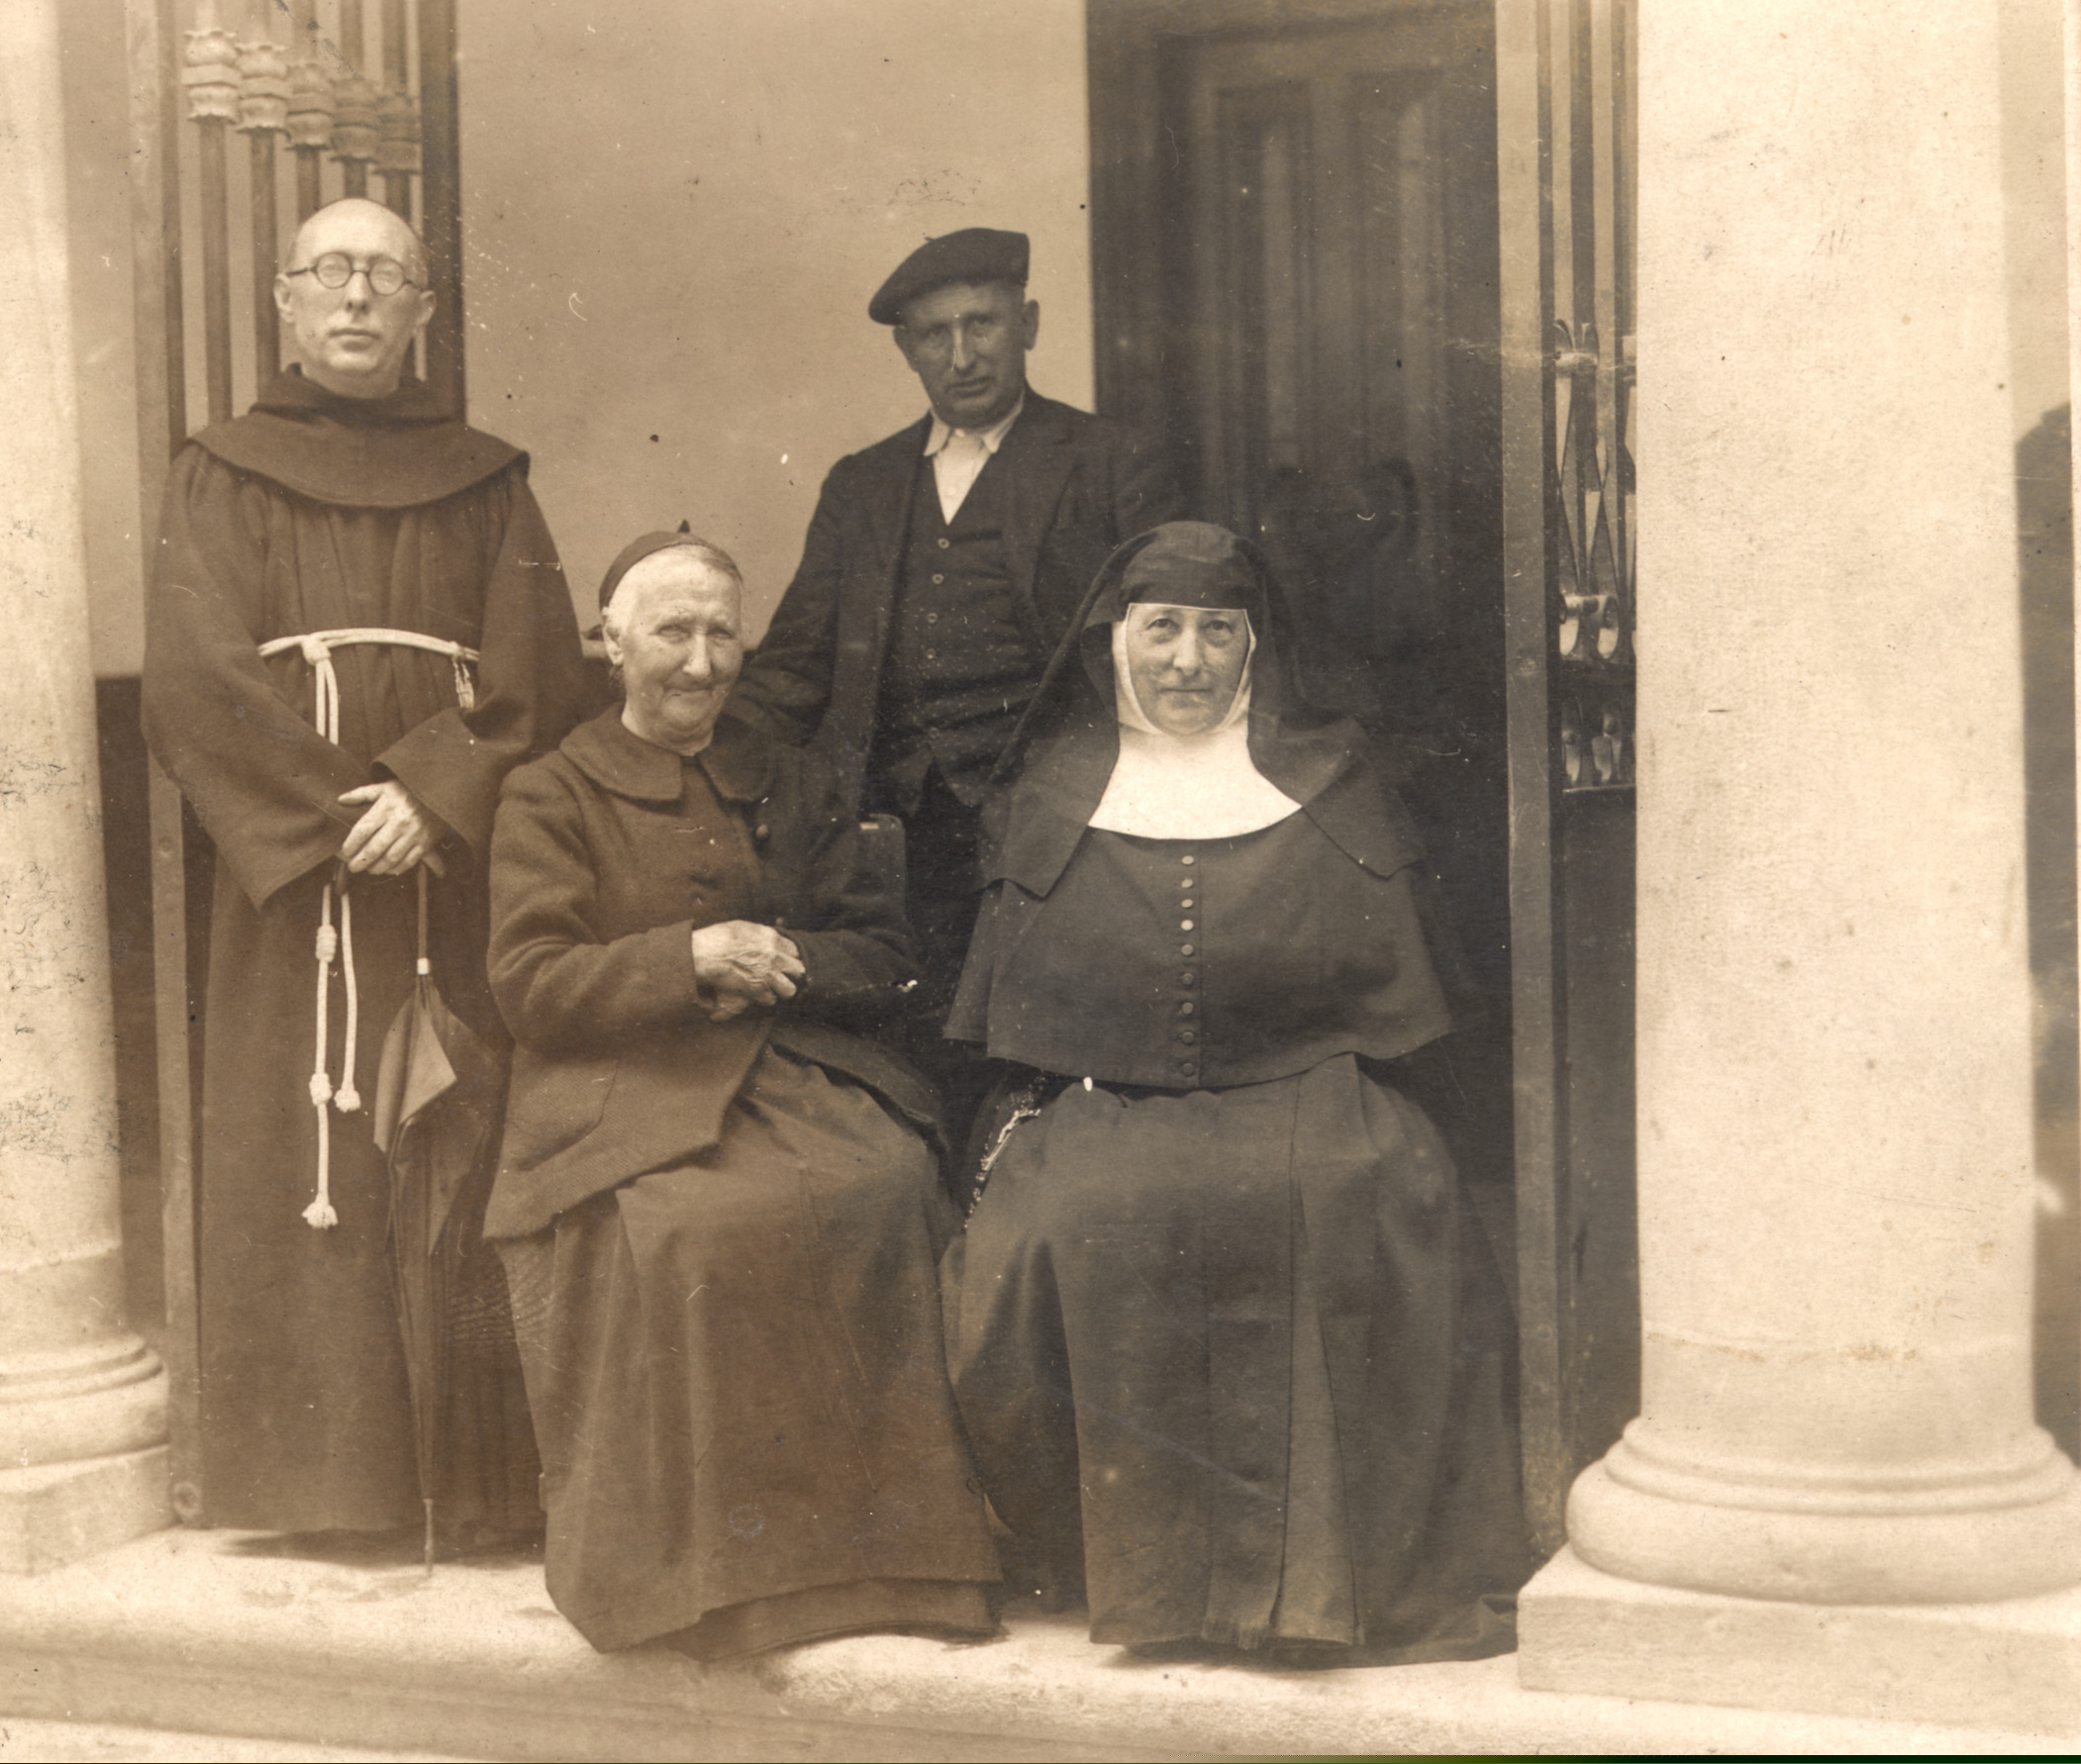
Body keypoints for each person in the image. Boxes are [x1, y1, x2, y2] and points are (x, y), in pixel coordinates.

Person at [941, 522, 1528, 1661]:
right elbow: (1014, 1023)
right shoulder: (1049, 793)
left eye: (1219, 631)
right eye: (1162, 627)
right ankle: (1135, 1581)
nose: (1187, 659)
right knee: (1063, 1220)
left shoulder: (1335, 781)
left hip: (1312, 1087)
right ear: (1115, 641)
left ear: (1255, 649)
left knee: (1370, 1189)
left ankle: (1330, 1587)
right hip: (1104, 1097)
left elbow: (1397, 1003)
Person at [144, 198, 585, 1535]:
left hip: (449, 871)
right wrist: (341, 812)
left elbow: (537, 664)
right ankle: (319, 1485)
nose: (355, 295)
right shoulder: (218, 473)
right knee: (308, 1153)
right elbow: (192, 679)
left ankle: (468, 1484)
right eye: (330, 271)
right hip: (297, 886)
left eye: (386, 275)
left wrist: (435, 796)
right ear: (284, 298)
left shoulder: (490, 481)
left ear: (424, 310)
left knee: (456, 1139)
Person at [479, 531, 1001, 1660]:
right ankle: (720, 1581)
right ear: (611, 641)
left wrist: (785, 956)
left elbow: (885, 951)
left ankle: (903, 1559)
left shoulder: (794, 777)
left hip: (795, 1072)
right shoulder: (550, 791)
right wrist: (685, 958)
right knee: (695, 1229)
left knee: (888, 1184)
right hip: (625, 1089)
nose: (702, 661)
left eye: (723, 633)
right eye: (672, 631)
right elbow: (531, 983)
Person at [728, 228, 1185, 1147]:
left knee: (1038, 1059)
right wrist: (693, 754)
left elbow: (1169, 649)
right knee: (915, 1052)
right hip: (897, 826)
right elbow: (792, 664)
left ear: (1030, 325)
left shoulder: (1110, 462)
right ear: (908, 349)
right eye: (935, 334)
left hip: (1060, 821)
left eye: (983, 324)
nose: (963, 355)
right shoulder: (862, 484)